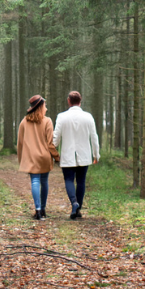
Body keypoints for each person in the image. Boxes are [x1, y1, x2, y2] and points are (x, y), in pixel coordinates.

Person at [52, 90, 101, 220]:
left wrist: (52, 149)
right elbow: (94, 137)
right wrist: (96, 155)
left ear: (69, 101)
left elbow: (56, 138)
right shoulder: (88, 117)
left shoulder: (61, 117)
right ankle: (78, 210)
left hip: (67, 155)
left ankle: (74, 202)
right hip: (84, 155)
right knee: (81, 181)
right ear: (80, 101)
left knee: (69, 180)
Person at [16, 94, 59, 220]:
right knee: (44, 182)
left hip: (31, 158)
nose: (46, 108)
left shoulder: (24, 122)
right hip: (44, 157)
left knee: (35, 181)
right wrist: (56, 157)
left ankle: (38, 210)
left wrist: (21, 159)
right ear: (40, 106)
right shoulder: (47, 121)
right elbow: (50, 143)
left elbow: (20, 143)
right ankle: (43, 209)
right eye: (45, 105)